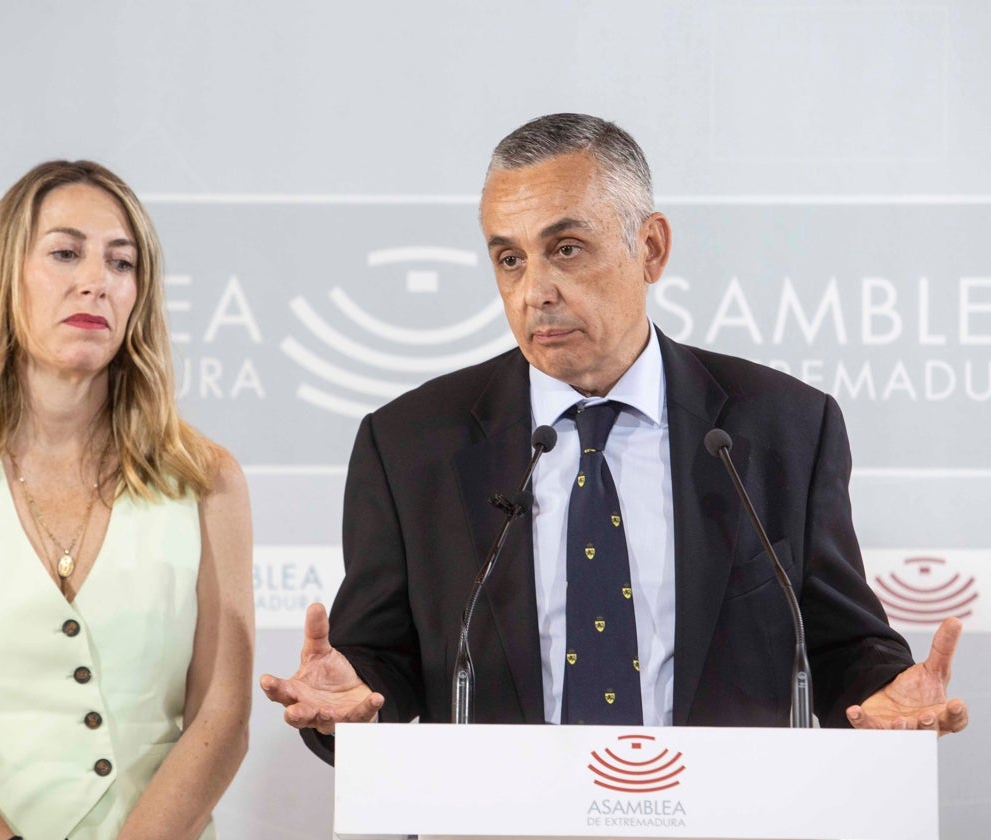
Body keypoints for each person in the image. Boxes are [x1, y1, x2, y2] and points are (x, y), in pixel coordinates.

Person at [261, 113, 968, 761]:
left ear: (651, 248)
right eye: (509, 259)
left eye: (566, 248)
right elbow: (380, 670)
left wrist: (883, 695)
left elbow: (842, 643)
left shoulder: (783, 427)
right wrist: (347, 702)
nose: (534, 290)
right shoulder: (412, 443)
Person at [0, 160, 254, 839]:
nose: (96, 280)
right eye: (65, 252)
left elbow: (223, 713)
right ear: (6, 277)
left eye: (121, 264)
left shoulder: (207, 478)